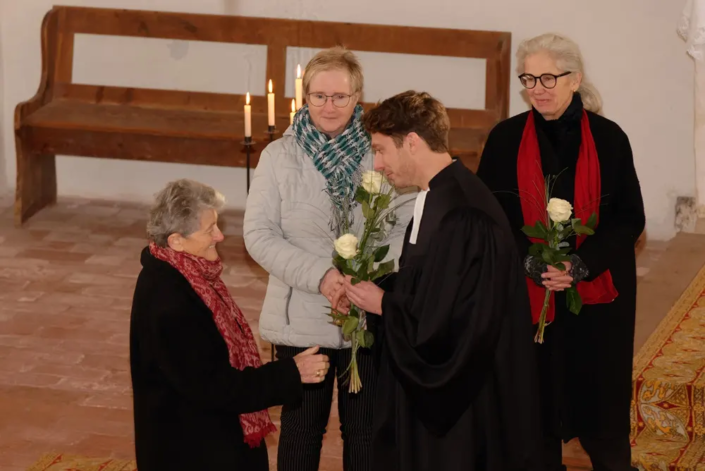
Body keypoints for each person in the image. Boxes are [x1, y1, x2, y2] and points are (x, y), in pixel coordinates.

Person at [341, 90, 543, 471]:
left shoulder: (463, 213)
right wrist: (379, 289)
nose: (378, 164)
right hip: (451, 400)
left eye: (382, 150)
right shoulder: (437, 195)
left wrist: (383, 305)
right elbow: (430, 284)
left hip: (463, 406)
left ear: (412, 142)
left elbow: (452, 325)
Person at [476, 33, 645, 471]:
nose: (538, 87)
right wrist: (531, 262)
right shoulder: (504, 139)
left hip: (598, 299)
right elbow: (491, 218)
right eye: (529, 78)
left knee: (602, 420)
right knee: (535, 417)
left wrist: (579, 264)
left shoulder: (609, 139)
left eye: (549, 76)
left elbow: (629, 218)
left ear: (576, 79)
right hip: (529, 299)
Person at [243, 47, 411, 471]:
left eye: (339, 96)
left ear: (358, 96)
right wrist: (321, 276)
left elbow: (404, 228)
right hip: (300, 311)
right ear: (304, 97)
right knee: (301, 429)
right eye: (319, 96)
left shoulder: (381, 153)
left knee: (366, 430)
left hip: (365, 307)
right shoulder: (278, 157)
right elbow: (258, 235)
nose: (329, 106)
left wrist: (362, 278)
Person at [129, 179, 330, 471]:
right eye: (209, 229)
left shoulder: (182, 274)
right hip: (193, 452)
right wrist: (290, 373)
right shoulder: (171, 302)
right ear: (176, 241)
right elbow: (216, 387)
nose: (220, 236)